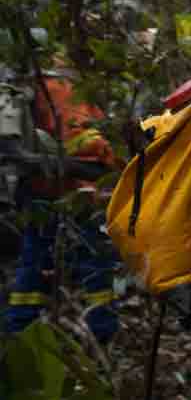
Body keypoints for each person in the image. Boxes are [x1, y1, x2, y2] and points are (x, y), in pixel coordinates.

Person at [4, 63, 119, 344]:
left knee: (35, 275)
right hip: (70, 197)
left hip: (51, 196)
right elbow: (97, 160)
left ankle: (18, 341)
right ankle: (101, 341)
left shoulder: (40, 88)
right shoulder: (63, 90)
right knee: (94, 274)